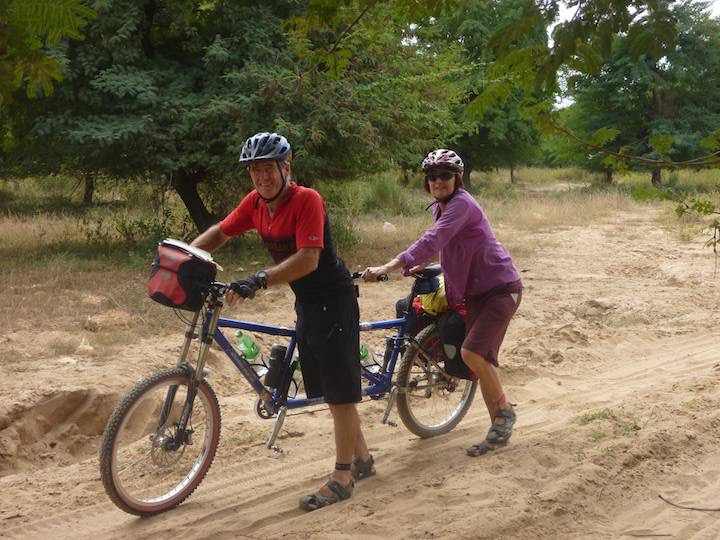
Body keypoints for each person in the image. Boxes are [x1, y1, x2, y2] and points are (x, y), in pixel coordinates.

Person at [191, 132, 375, 510]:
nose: (262, 177)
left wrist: (260, 279)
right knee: (328, 387)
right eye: (255, 171)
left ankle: (343, 477)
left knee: (340, 393)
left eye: (268, 169)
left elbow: (309, 259)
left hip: (334, 301)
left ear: (285, 167)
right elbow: (222, 231)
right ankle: (363, 459)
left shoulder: (307, 200)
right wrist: (185, 254)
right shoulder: (256, 203)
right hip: (307, 302)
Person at [363, 149, 522, 457]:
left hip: (500, 289)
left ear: (457, 178)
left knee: (472, 353)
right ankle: (497, 431)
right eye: (432, 176)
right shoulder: (440, 206)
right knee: (480, 359)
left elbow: (434, 238)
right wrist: (425, 264)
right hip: (473, 293)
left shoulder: (462, 203)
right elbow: (447, 244)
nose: (438, 181)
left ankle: (505, 412)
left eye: (445, 175)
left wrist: (390, 265)